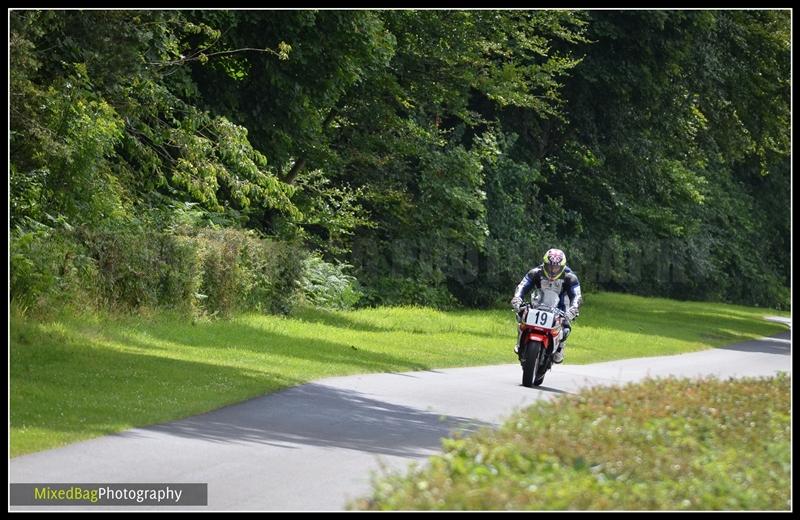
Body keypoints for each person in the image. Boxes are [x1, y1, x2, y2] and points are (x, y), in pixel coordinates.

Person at [510, 248, 582, 363]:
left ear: (562, 266)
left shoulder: (570, 277)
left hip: (560, 306)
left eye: (556, 267)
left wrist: (573, 309)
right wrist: (517, 298)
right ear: (544, 264)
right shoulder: (536, 272)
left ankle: (559, 348)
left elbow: (577, 295)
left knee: (566, 326)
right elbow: (522, 285)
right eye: (550, 266)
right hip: (538, 303)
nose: (553, 270)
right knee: (521, 315)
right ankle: (520, 342)